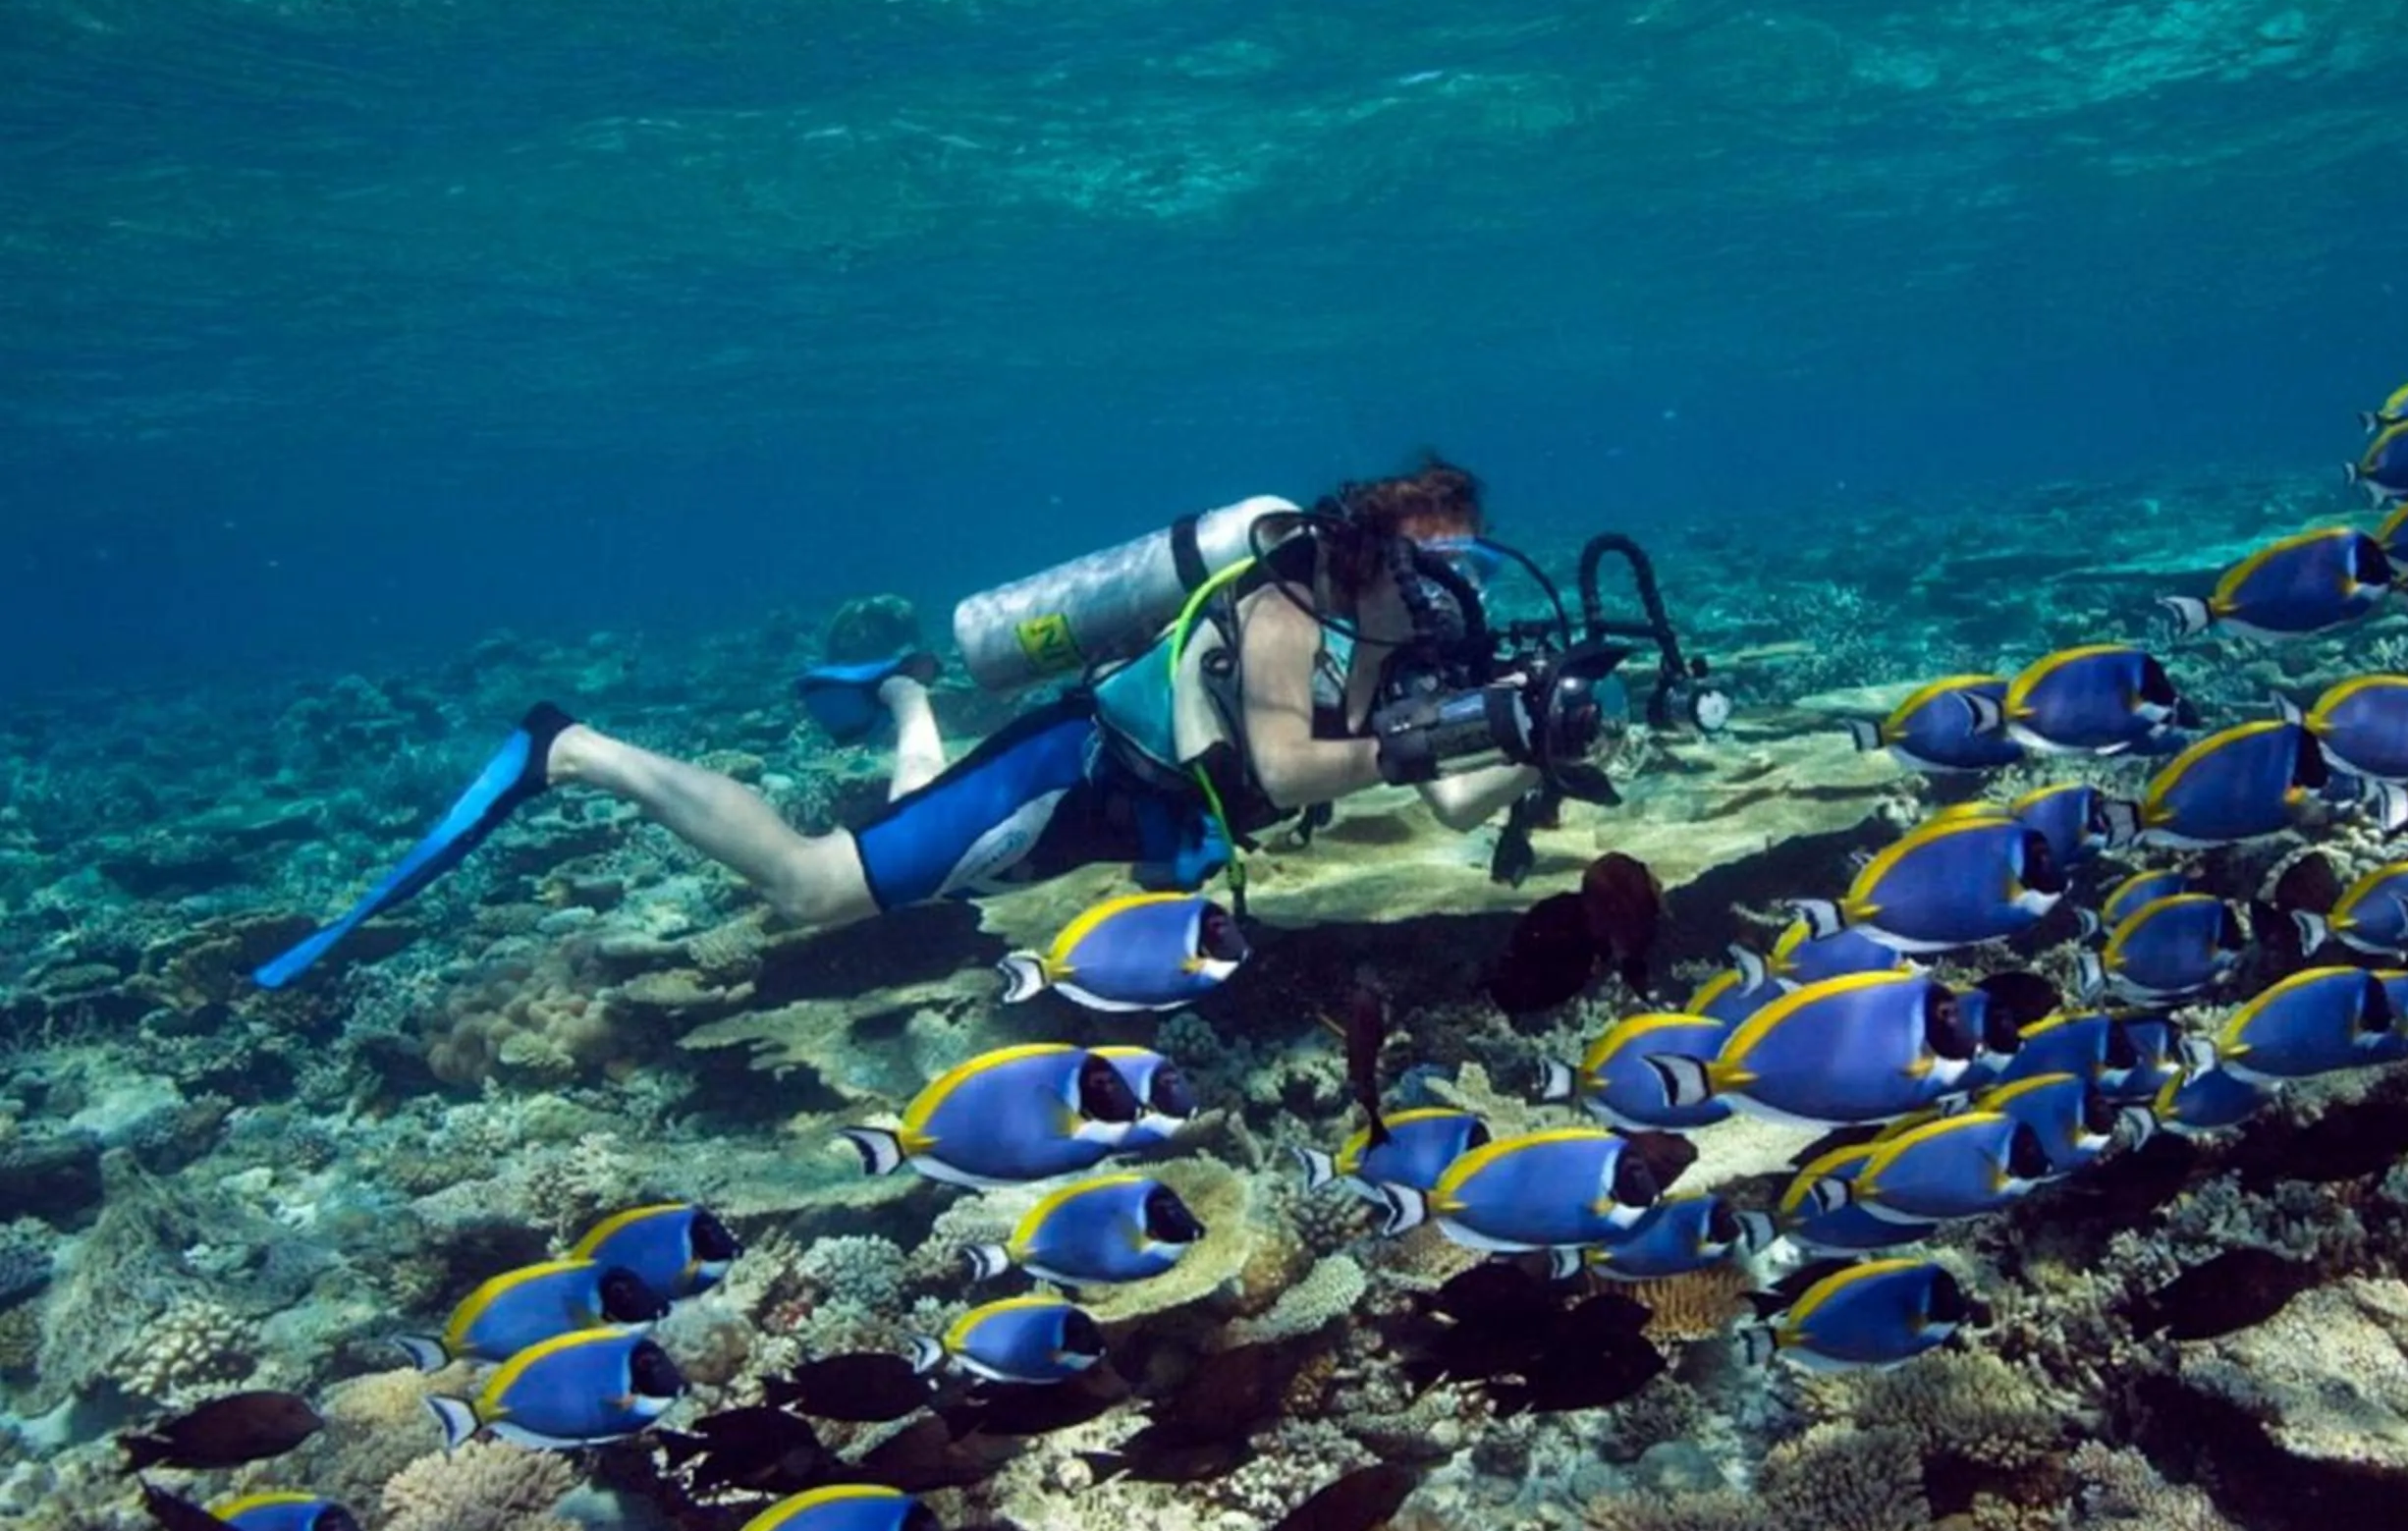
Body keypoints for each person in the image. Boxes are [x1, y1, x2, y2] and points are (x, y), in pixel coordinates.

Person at [251, 461, 1607, 987]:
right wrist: (1465, 734)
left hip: (1132, 819)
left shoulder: (1387, 625)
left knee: (913, 837)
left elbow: (1432, 803)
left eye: (1471, 573)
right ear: (1392, 542)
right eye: (1449, 567)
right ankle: (573, 748)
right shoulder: (1288, 606)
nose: (1457, 597)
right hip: (1070, 779)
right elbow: (1291, 763)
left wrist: (1531, 754)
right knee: (817, 888)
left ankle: (904, 691)